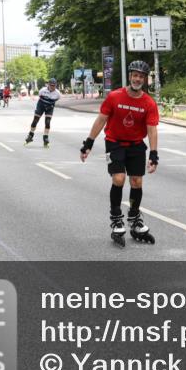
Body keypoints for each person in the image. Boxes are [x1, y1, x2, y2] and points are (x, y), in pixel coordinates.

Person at [80, 61, 159, 247]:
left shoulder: (148, 102)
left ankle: (134, 216)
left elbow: (152, 130)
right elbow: (101, 120)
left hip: (136, 145)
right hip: (114, 143)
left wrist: (153, 154)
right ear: (130, 76)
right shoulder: (115, 97)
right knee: (118, 179)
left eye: (141, 76)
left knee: (137, 181)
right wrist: (88, 143)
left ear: (145, 79)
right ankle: (116, 217)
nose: (137, 78)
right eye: (135, 75)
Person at [25, 78, 62, 147]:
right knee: (35, 120)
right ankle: (30, 135)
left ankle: (45, 137)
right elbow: (39, 96)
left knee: (47, 122)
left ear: (56, 85)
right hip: (41, 105)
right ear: (48, 85)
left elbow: (56, 99)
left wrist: (50, 105)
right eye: (51, 85)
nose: (52, 87)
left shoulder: (57, 93)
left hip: (49, 107)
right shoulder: (42, 90)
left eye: (54, 85)